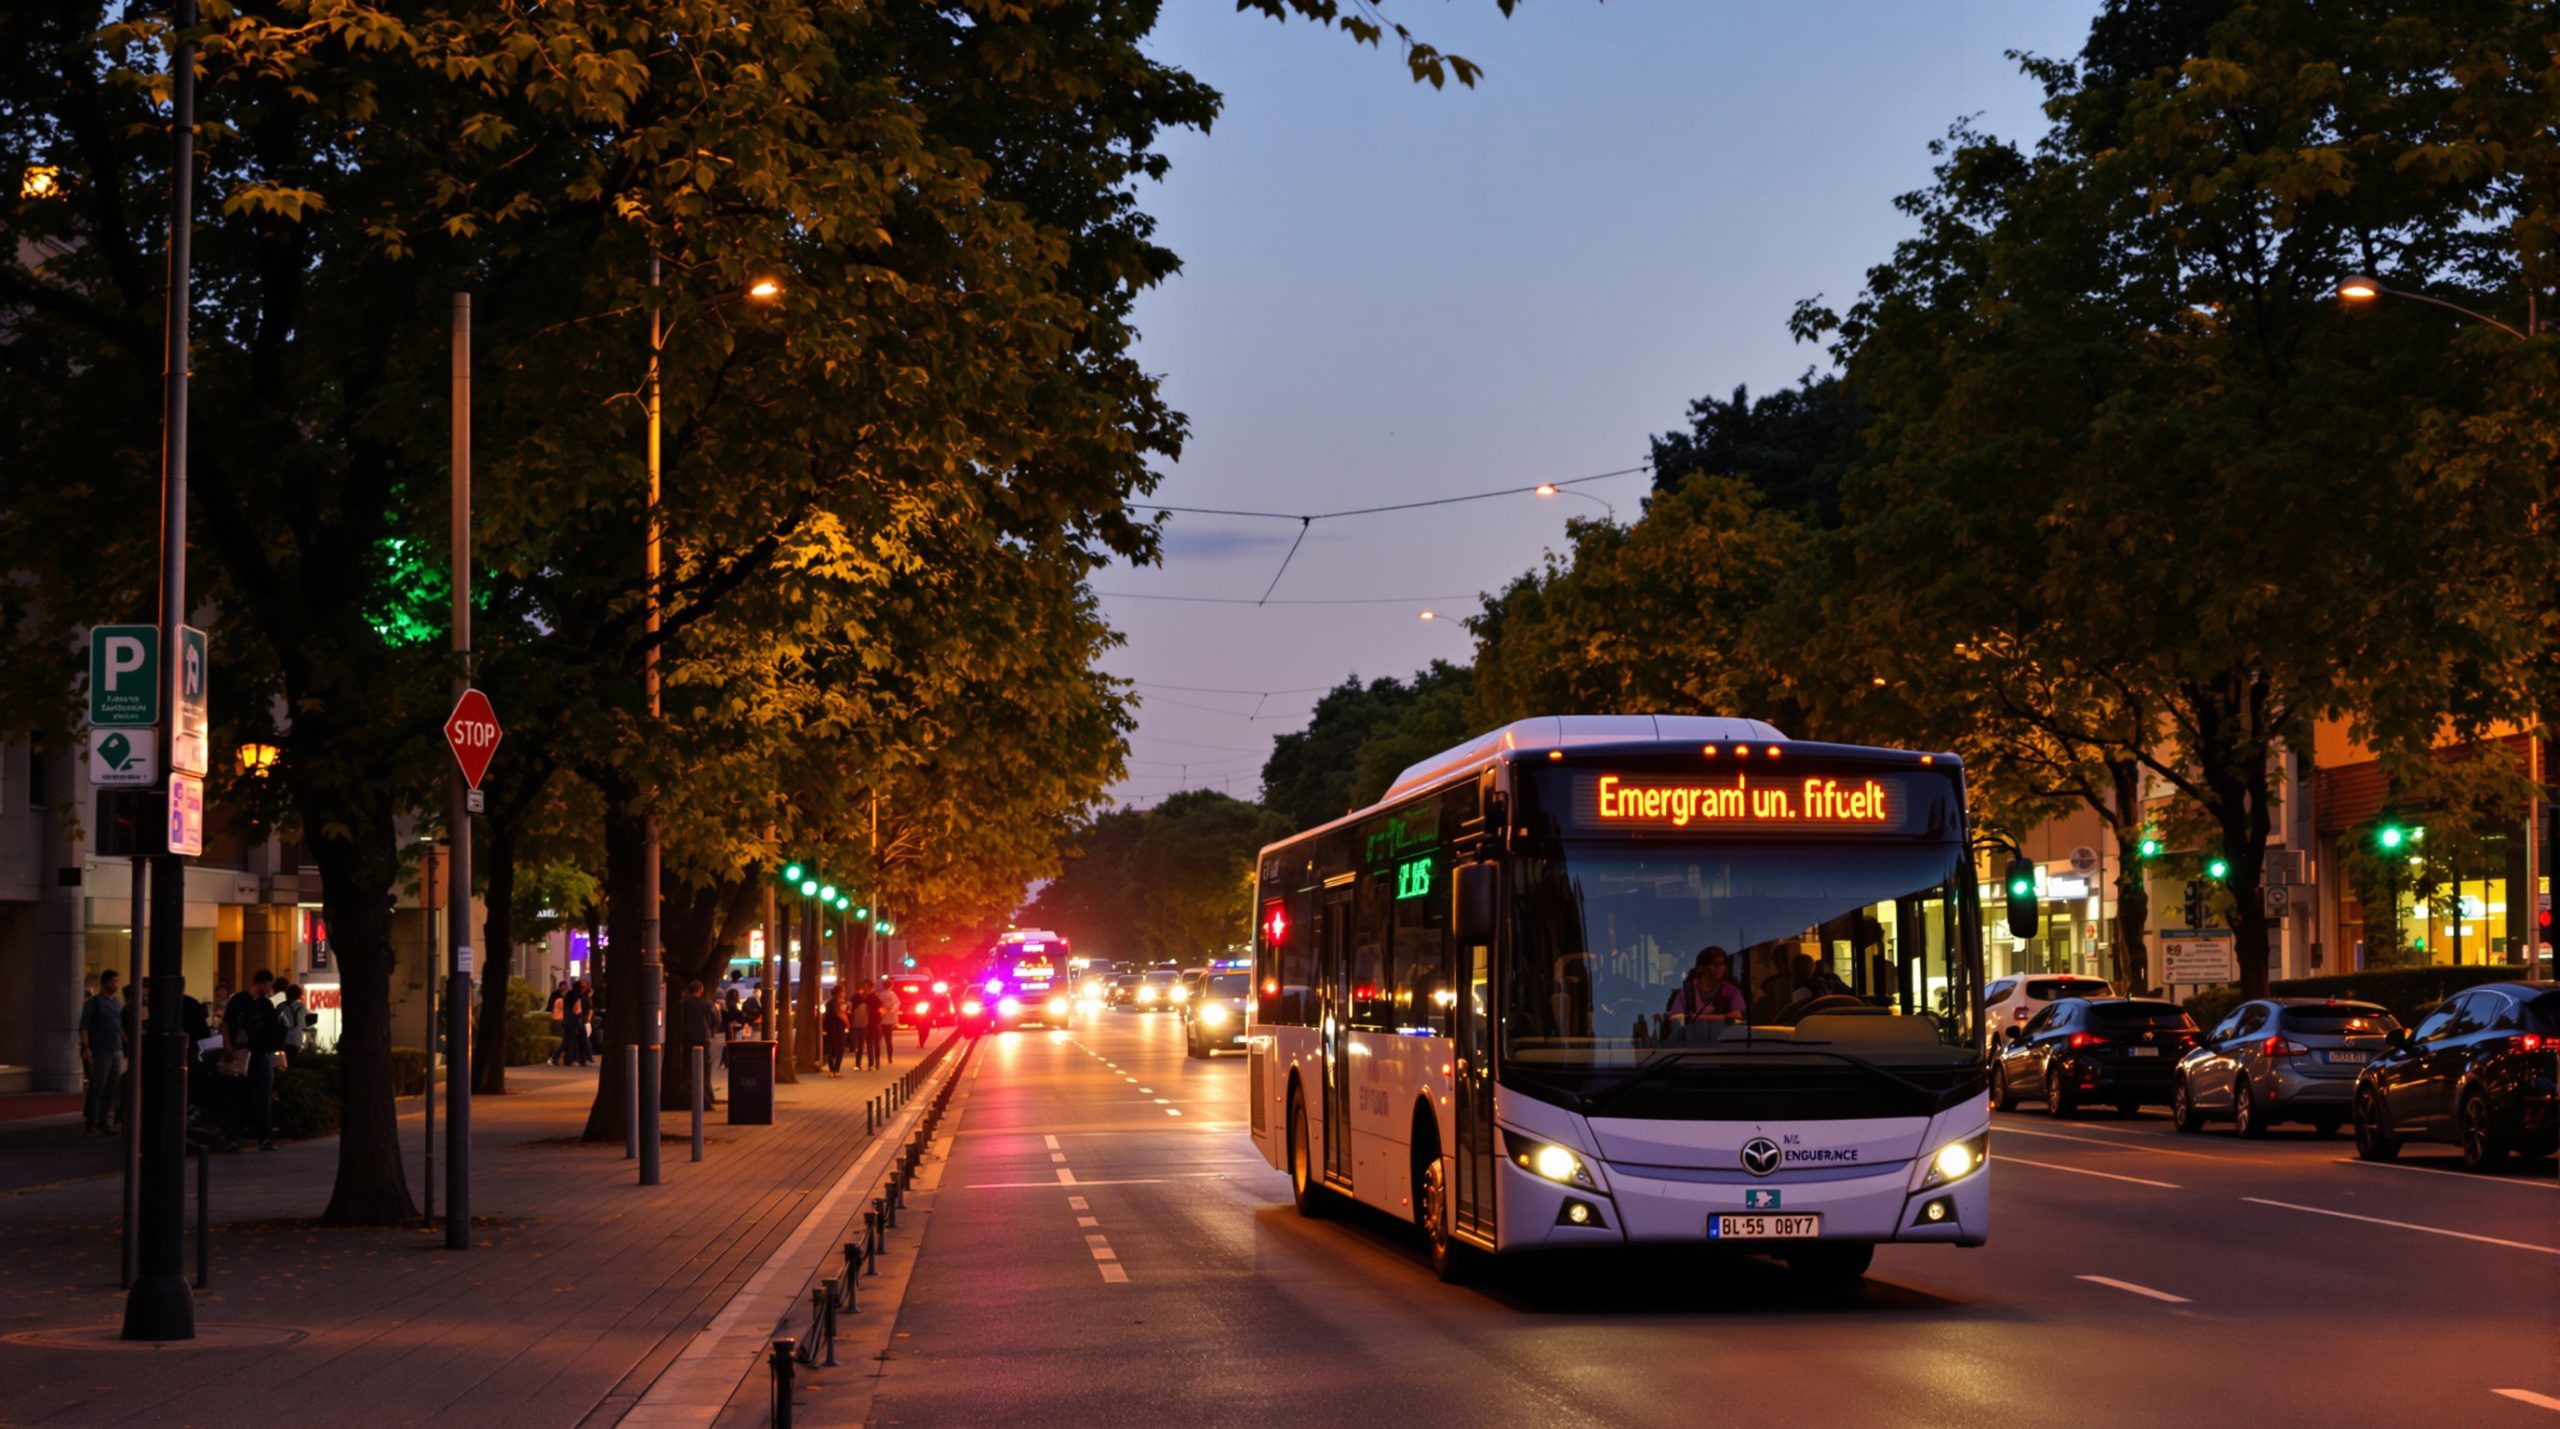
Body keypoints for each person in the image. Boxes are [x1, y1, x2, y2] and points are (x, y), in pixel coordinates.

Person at [222, 970, 287, 1151]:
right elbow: (226, 1022)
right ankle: (241, 1137)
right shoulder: (240, 1001)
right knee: (240, 1096)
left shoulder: (264, 1004)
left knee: (259, 1096)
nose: (270, 989)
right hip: (243, 1053)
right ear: (262, 984)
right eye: (269, 985)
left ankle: (254, 1137)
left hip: (256, 1053)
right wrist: (227, 1044)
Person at [80, 970, 126, 1135]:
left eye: (117, 981)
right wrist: (86, 1047)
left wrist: (125, 1041)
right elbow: (84, 1026)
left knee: (112, 1086)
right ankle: (91, 1122)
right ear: (106, 983)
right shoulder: (95, 1003)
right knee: (98, 1085)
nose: (116, 985)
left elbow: (118, 1025)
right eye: (114, 981)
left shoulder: (115, 1002)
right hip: (100, 1049)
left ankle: (103, 1121)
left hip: (115, 1048)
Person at [1666, 947, 1747, 1024]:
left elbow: (1738, 1016)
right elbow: (1676, 1018)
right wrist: (1725, 1017)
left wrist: (1698, 1017)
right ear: (1702, 967)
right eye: (1714, 964)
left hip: (1725, 1038)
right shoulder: (1687, 993)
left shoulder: (1732, 992)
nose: (1719, 967)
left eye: (1722, 964)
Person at [679, 979, 720, 1106]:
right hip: (703, 1037)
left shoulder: (684, 1004)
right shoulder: (707, 1004)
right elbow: (716, 1020)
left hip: (687, 1038)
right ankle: (707, 1094)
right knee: (705, 1067)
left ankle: (691, 1091)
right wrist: (711, 1030)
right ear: (700, 990)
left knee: (689, 1066)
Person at [859, 979, 893, 1070]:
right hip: (867, 1022)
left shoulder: (873, 996)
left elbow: (880, 1006)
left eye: (866, 986)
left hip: (874, 1021)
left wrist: (882, 1014)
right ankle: (871, 1063)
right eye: (864, 986)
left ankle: (875, 1062)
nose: (864, 988)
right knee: (870, 1042)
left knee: (874, 1042)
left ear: (870, 987)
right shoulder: (864, 996)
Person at [822, 988, 851, 1077]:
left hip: (829, 1028)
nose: (844, 994)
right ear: (839, 993)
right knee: (840, 1049)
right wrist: (848, 1023)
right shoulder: (838, 1003)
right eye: (843, 992)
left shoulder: (829, 1003)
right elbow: (840, 1013)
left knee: (832, 1049)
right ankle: (836, 1069)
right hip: (838, 1028)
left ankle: (832, 1070)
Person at [547, 980, 569, 1065]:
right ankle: (555, 1058)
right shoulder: (560, 1000)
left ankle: (556, 1058)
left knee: (561, 1039)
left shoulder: (558, 999)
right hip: (559, 1020)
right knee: (562, 1040)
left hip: (557, 1019)